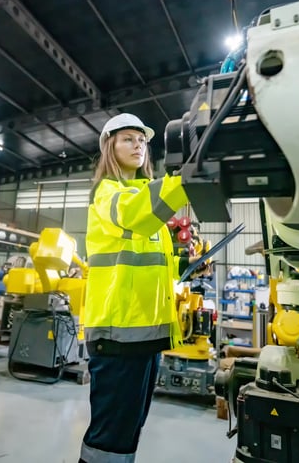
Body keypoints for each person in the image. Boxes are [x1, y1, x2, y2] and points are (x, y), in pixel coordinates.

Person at [80, 113, 201, 463]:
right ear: (110, 146)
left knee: (128, 431)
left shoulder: (145, 200)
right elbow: (134, 215)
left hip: (144, 333)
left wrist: (186, 262)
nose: (138, 146)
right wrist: (184, 177)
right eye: (128, 139)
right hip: (118, 333)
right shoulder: (108, 193)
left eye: (142, 141)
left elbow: (154, 263)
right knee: (111, 437)